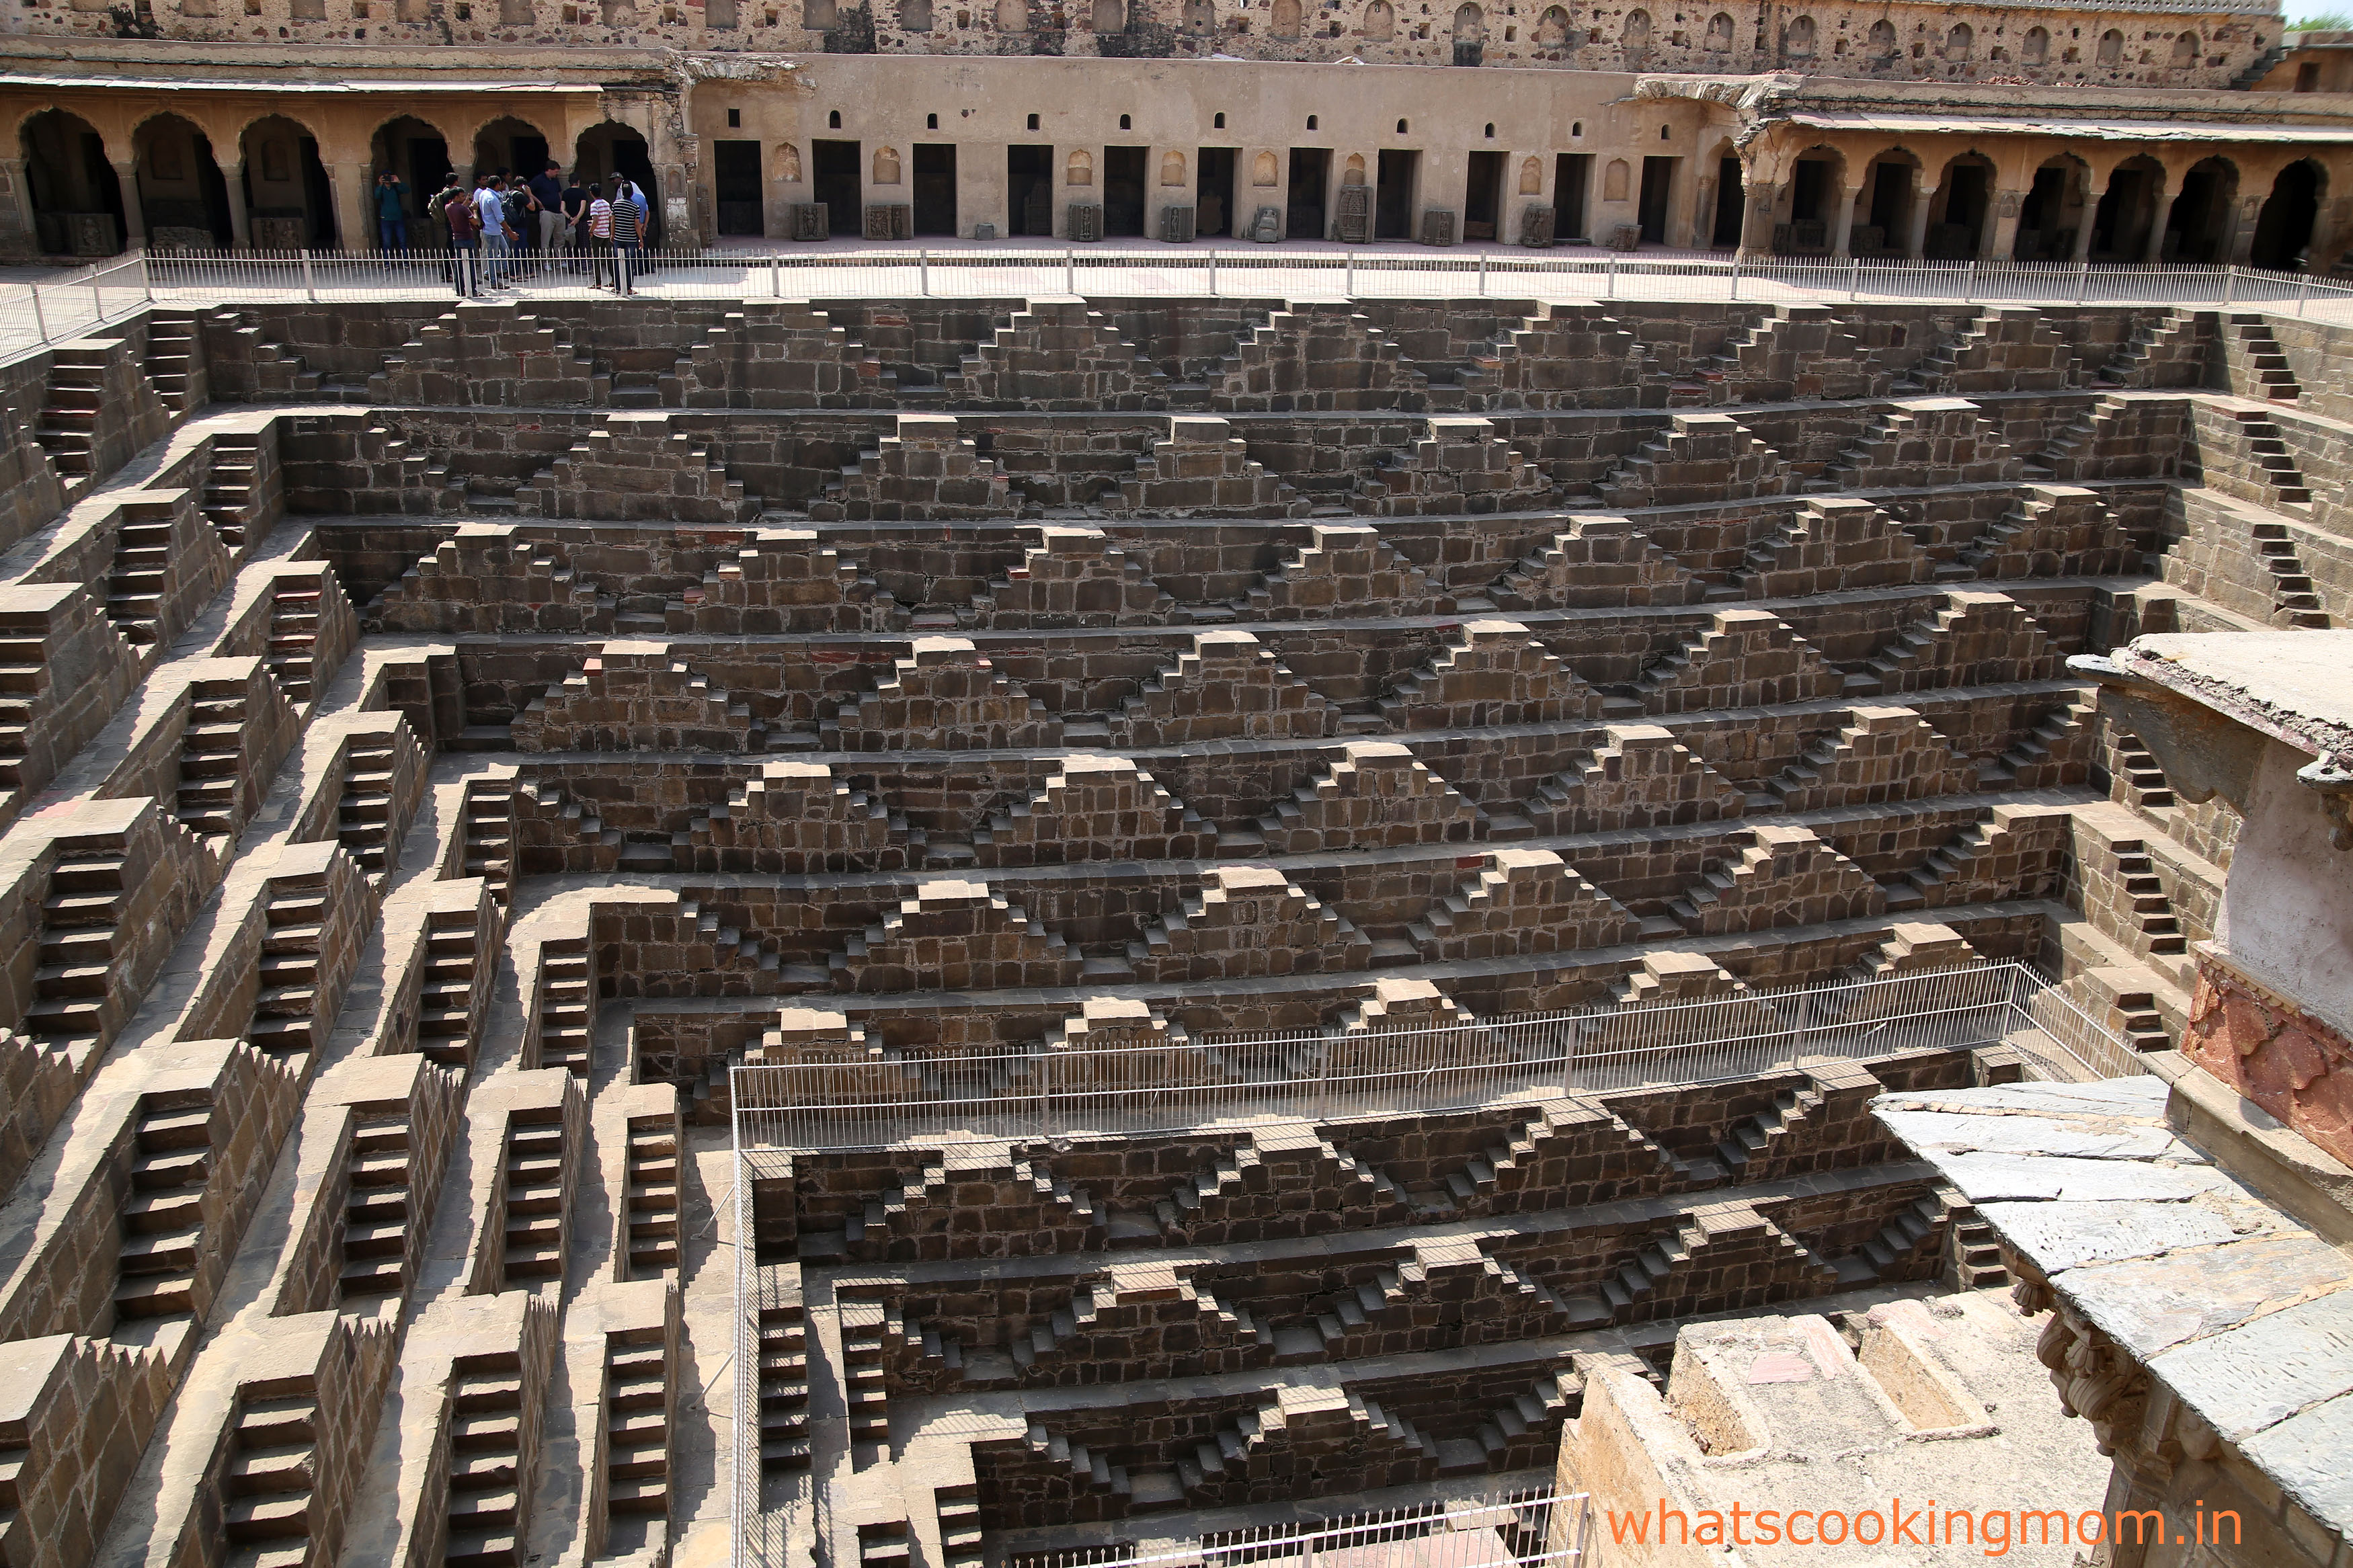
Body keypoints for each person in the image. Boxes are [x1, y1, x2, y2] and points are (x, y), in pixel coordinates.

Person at [442, 177, 481, 296]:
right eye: (462, 196)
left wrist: (466, 205)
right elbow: (476, 222)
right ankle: (472, 290)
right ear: (456, 197)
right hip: (467, 238)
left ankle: (459, 289)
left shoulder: (448, 207)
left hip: (457, 238)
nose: (464, 198)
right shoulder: (463, 210)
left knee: (459, 265)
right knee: (470, 266)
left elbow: (460, 208)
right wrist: (474, 210)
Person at [475, 174, 514, 287]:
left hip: (495, 230)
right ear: (498, 185)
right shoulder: (492, 199)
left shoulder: (484, 194)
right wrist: (510, 232)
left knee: (505, 251)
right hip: (492, 231)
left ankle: (489, 272)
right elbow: (500, 218)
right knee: (492, 256)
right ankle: (494, 281)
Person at [611, 177, 646, 295]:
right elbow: (637, 225)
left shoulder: (616, 204)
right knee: (629, 262)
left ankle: (618, 287)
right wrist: (641, 239)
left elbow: (613, 221)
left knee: (617, 261)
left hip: (618, 237)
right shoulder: (634, 207)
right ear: (632, 193)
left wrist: (612, 234)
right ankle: (629, 288)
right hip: (631, 238)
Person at [530, 161, 565, 272]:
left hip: (558, 212)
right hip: (547, 212)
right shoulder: (539, 179)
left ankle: (560, 261)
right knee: (546, 239)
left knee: (560, 239)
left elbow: (559, 193)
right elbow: (527, 189)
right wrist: (538, 202)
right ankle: (547, 262)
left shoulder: (555, 180)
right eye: (555, 172)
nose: (556, 174)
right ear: (549, 170)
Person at [586, 183, 616, 290]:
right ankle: (614, 279)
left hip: (597, 234)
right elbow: (610, 218)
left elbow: (595, 220)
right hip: (605, 233)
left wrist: (591, 230)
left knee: (596, 258)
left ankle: (597, 282)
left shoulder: (594, 205)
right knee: (608, 257)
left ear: (591, 194)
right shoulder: (606, 204)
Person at [561, 170, 590, 275]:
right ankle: (585, 267)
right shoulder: (582, 193)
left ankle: (572, 266)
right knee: (583, 244)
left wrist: (570, 218)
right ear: (578, 182)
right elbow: (583, 207)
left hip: (569, 222)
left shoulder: (565, 193)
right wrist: (577, 218)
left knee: (570, 244)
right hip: (581, 222)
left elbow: (562, 209)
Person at [375, 170, 409, 257]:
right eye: (385, 177)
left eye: (388, 177)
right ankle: (387, 262)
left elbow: (406, 190)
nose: (387, 179)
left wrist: (398, 182)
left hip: (398, 218)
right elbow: (377, 196)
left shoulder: (396, 188)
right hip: (386, 219)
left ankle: (405, 262)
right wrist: (380, 184)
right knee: (387, 242)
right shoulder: (381, 189)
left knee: (402, 241)